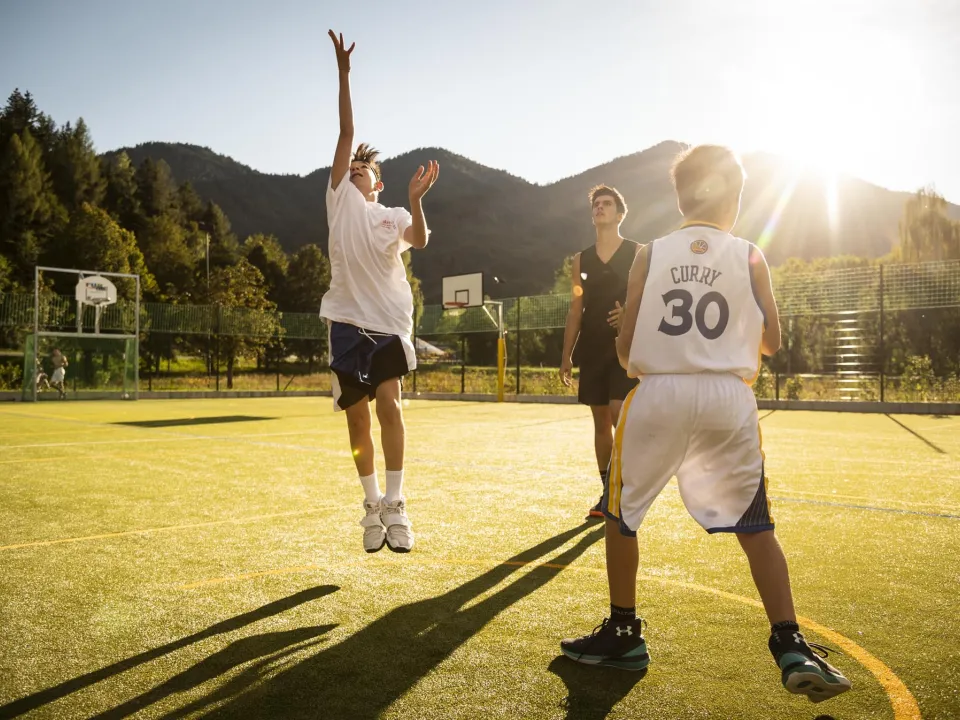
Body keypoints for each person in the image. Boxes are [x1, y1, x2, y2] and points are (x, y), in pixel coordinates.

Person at [560, 145, 851, 704]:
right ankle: (790, 642)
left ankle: (623, 631)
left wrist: (635, 356)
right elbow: (773, 341)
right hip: (727, 398)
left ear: (678, 196)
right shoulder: (750, 255)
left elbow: (625, 343)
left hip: (659, 392)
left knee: (621, 514)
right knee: (757, 526)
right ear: (736, 200)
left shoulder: (649, 253)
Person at [320, 30, 439, 554]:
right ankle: (369, 506)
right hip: (346, 321)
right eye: (351, 169)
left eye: (363, 170)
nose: (354, 171)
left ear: (379, 183)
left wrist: (416, 201)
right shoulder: (339, 200)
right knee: (357, 416)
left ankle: (395, 503)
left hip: (389, 323)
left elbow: (422, 238)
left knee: (390, 404)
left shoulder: (392, 214)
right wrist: (345, 74)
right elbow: (347, 130)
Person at [560, 185, 640, 519]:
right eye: (596, 204)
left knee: (620, 414)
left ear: (620, 214)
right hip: (592, 347)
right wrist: (566, 355)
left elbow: (652, 297)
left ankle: (627, 487)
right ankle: (608, 492)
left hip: (626, 347)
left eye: (607, 204)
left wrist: (630, 314)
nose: (600, 208)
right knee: (600, 421)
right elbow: (576, 308)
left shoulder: (639, 253)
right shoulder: (581, 259)